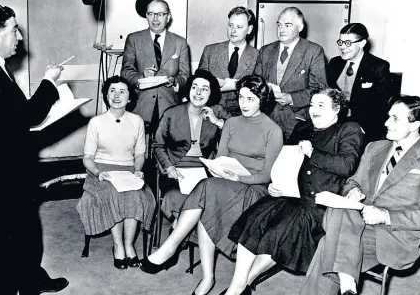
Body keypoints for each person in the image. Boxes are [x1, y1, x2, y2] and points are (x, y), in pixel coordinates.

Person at [140, 75, 283, 295]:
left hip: (255, 188)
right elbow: (221, 158)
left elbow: (266, 174)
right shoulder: (232, 123)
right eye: (241, 98)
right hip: (227, 182)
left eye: (250, 99)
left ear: (261, 100)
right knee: (210, 191)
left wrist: (239, 178)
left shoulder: (273, 130)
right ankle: (207, 277)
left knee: (208, 190)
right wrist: (219, 169)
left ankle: (172, 248)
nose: (244, 104)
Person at [0, 4, 68, 295]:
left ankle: (30, 278)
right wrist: (49, 82)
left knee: (24, 230)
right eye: (13, 30)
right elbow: (26, 116)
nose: (19, 37)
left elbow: (11, 116)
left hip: (7, 167)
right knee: (1, 240)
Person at [221, 88, 365, 295]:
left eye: (320, 105)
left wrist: (313, 152)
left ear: (337, 109)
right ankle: (238, 284)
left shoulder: (348, 129)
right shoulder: (302, 127)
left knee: (278, 231)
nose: (313, 110)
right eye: (312, 105)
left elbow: (346, 165)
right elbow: (284, 162)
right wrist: (274, 183)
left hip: (319, 203)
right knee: (255, 220)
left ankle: (240, 286)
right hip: (290, 194)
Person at [298, 95, 420, 295]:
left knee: (328, 245)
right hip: (357, 225)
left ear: (415, 124)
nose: (386, 123)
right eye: (388, 117)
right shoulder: (375, 148)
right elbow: (352, 181)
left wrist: (384, 216)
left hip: (394, 235)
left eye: (395, 119)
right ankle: (348, 286)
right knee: (340, 211)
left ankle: (347, 284)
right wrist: (352, 191)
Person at [76, 76, 155, 269]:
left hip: (129, 171)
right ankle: (118, 246)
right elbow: (87, 158)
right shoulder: (96, 122)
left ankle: (129, 245)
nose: (117, 95)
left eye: (122, 91)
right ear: (106, 95)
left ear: (130, 98)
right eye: (112, 90)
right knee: (112, 194)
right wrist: (97, 173)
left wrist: (137, 170)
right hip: (101, 171)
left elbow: (139, 154)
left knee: (136, 196)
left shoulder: (137, 121)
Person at [154, 69, 231, 223]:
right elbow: (158, 145)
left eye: (205, 89)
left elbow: (238, 130)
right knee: (174, 195)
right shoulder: (171, 113)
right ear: (188, 89)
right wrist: (168, 167)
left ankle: (178, 228)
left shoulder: (217, 111)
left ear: (211, 93)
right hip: (175, 168)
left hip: (205, 171)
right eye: (194, 87)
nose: (198, 92)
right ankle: (183, 229)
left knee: (213, 197)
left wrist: (217, 121)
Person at [254, 7, 327, 140]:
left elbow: (320, 89)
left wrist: (292, 98)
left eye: (288, 25)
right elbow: (256, 84)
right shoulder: (265, 51)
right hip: (266, 121)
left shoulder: (314, 51)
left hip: (298, 123)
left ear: (300, 27)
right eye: (279, 25)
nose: (281, 30)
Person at [121, 0, 191, 132]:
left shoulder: (180, 42)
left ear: (168, 17)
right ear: (146, 16)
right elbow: (125, 72)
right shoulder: (134, 39)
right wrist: (142, 76)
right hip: (141, 106)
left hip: (169, 106)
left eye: (160, 14)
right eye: (151, 14)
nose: (155, 19)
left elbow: (186, 76)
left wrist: (175, 82)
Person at [327, 23, 391, 143]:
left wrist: (361, 128)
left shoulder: (378, 67)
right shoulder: (334, 63)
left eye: (348, 43)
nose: (342, 47)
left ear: (362, 43)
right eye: (340, 42)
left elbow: (380, 106)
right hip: (334, 124)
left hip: (364, 127)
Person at [198, 6, 259, 116]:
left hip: (242, 115)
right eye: (230, 25)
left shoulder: (257, 56)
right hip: (210, 112)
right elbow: (199, 82)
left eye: (239, 27)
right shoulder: (210, 51)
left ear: (249, 29)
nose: (233, 30)